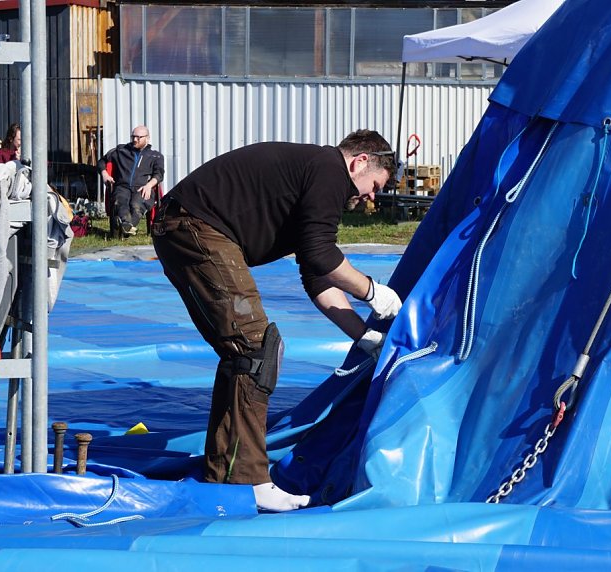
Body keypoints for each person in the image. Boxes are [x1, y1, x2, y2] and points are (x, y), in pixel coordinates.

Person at [152, 129, 402, 512]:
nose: (371, 197)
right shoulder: (329, 169)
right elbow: (321, 255)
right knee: (255, 349)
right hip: (196, 226)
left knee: (245, 353)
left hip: (187, 224)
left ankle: (225, 475)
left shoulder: (316, 174)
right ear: (360, 162)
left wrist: (365, 336)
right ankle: (249, 481)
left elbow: (317, 277)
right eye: (375, 186)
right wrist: (372, 291)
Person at [98, 125, 165, 236]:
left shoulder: (155, 156)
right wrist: (104, 174)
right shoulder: (121, 150)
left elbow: (159, 174)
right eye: (133, 136)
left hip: (143, 188)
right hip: (122, 187)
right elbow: (101, 161)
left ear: (147, 138)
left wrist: (149, 185)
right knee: (121, 203)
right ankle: (127, 227)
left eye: (139, 137)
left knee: (136, 205)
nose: (135, 139)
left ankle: (126, 226)